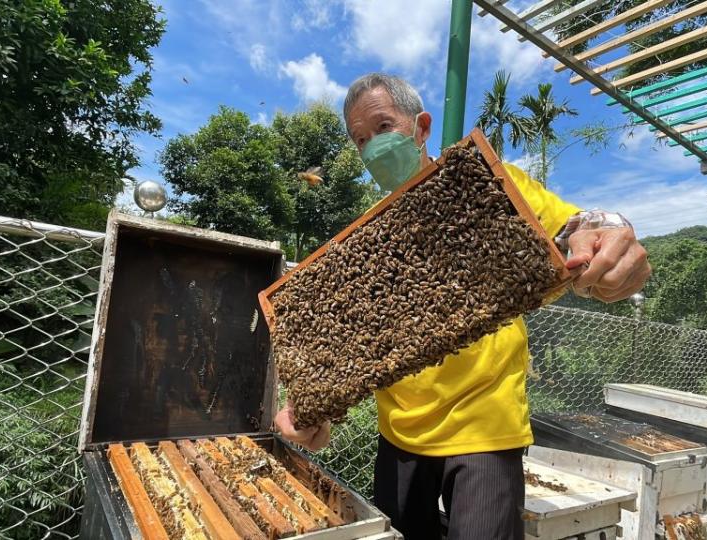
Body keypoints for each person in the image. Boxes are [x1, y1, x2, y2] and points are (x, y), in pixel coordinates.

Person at [275, 73, 651, 539]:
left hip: (485, 427)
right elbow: (345, 348)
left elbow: (574, 226)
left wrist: (608, 229)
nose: (374, 146)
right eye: (361, 139)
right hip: (399, 435)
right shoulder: (367, 242)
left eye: (384, 126)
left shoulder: (488, 183)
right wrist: (315, 411)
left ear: (421, 126)